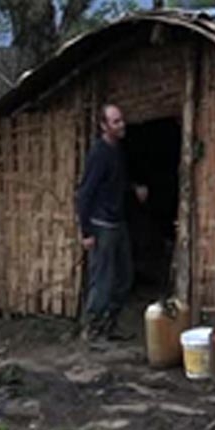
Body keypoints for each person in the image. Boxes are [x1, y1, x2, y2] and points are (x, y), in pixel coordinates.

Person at [75, 104, 147, 341]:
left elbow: (114, 183)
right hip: (102, 225)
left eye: (121, 120)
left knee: (124, 278)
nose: (121, 124)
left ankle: (109, 325)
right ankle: (92, 329)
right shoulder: (99, 153)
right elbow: (85, 194)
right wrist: (86, 231)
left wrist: (133, 187)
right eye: (115, 122)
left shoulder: (117, 151)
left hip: (118, 223)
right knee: (103, 280)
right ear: (104, 126)